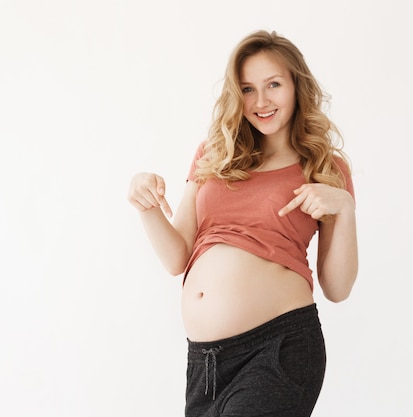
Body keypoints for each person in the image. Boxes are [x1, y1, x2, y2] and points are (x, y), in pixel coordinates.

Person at [128, 30, 357, 417]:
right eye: (248, 89)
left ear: (297, 87)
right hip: (206, 364)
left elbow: (337, 287)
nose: (261, 101)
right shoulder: (214, 155)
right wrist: (145, 204)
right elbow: (177, 257)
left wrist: (345, 209)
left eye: (274, 85)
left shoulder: (324, 168)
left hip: (278, 347)